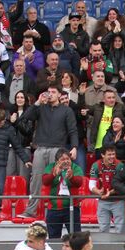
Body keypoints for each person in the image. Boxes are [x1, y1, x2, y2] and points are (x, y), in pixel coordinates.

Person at [16, 84, 79, 220]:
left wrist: (74, 147)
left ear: (59, 95)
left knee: (57, 179)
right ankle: (31, 211)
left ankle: (57, 210)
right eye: (48, 91)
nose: (50, 94)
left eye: (53, 92)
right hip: (41, 147)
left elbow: (73, 130)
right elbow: (25, 118)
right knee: (36, 179)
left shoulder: (66, 111)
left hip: (58, 148)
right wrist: (37, 102)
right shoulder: (41, 108)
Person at [42, 148, 83, 238]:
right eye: (62, 159)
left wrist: (72, 177)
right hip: (54, 208)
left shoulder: (75, 167)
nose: (66, 161)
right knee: (53, 238)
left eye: (67, 159)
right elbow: (45, 181)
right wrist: (53, 174)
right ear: (57, 161)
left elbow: (79, 182)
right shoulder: (50, 167)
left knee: (76, 238)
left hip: (72, 208)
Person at [88, 144, 125, 234]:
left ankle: (120, 247)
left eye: (113, 154)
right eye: (109, 154)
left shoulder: (120, 165)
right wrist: (98, 191)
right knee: (103, 229)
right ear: (102, 155)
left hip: (118, 200)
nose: (112, 156)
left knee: (120, 229)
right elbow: (91, 184)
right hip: (103, 201)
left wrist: (110, 192)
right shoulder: (96, 165)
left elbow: (122, 185)